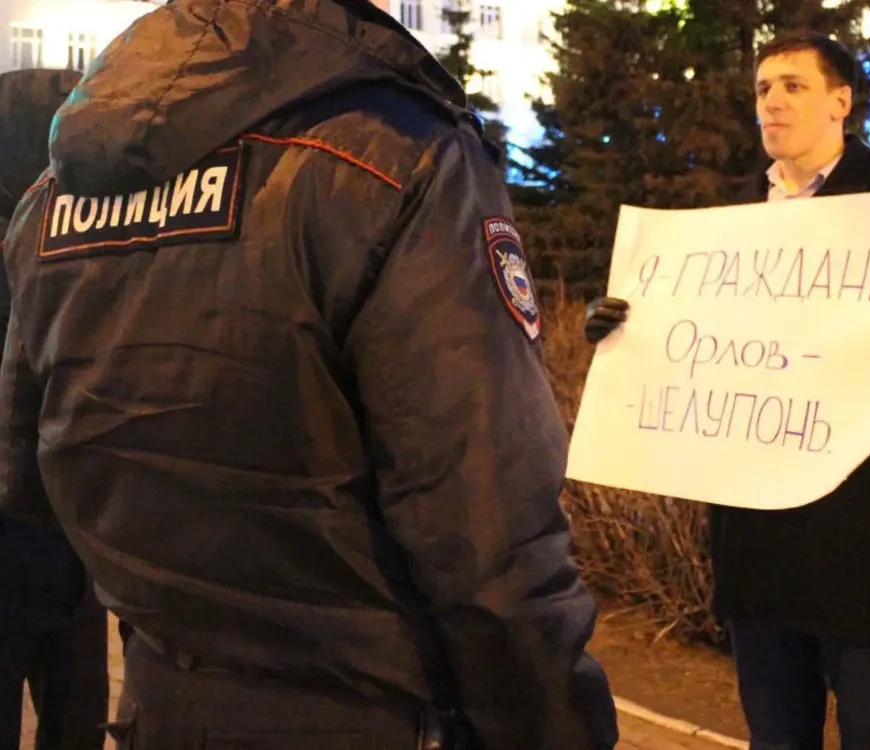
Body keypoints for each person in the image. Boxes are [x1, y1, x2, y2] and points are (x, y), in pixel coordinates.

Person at [0, 2, 617, 749]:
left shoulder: (51, 199)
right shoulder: (398, 156)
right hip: (369, 713)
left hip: (161, 703)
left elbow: (30, 480)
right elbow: (490, 536)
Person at [584, 31, 870, 750]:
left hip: (857, 519)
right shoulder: (729, 216)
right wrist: (619, 331)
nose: (772, 102)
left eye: (793, 86)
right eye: (762, 89)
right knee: (775, 729)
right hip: (752, 522)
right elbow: (694, 341)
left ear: (840, 102)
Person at [0, 67, 109, 750]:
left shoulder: (64, 239)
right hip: (64, 522)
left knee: (78, 713)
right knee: (77, 713)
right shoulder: (72, 241)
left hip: (65, 530)